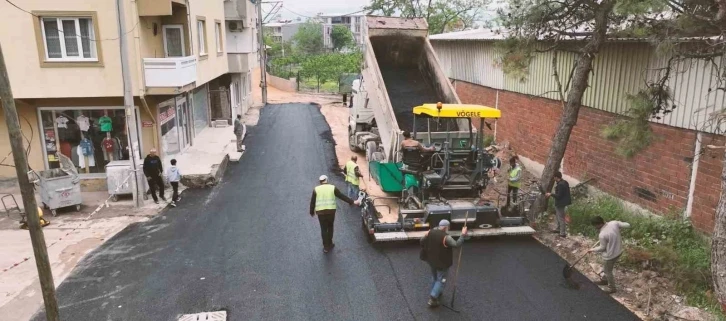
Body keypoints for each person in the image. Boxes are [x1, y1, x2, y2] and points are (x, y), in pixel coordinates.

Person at [420, 220, 468, 308]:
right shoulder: (446, 237)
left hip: (431, 261)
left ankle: (437, 291)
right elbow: (456, 244)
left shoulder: (430, 232)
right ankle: (433, 298)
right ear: (446, 227)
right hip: (442, 263)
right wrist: (463, 234)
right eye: (448, 228)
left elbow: (421, 241)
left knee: (434, 277)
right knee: (441, 280)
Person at [309, 175, 361, 253]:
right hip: (331, 212)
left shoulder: (316, 189)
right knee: (330, 227)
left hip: (321, 213)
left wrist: (311, 212)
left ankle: (326, 247)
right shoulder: (332, 188)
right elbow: (341, 196)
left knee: (323, 229)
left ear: (320, 182)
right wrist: (353, 202)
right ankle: (330, 243)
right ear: (327, 180)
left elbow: (312, 202)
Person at [588, 216, 631, 294]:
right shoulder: (613, 223)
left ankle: (612, 288)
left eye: (595, 226)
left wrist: (592, 250)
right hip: (619, 251)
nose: (595, 227)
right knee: (606, 268)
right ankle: (604, 280)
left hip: (610, 255)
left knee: (608, 271)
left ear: (598, 224)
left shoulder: (602, 234)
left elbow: (602, 248)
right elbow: (628, 225)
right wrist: (619, 227)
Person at [546, 171, 572, 238]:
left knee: (561, 218)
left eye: (554, 177)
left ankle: (562, 233)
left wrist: (550, 194)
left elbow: (559, 196)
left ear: (556, 177)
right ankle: (558, 229)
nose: (553, 178)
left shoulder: (560, 185)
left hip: (560, 203)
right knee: (558, 216)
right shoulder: (565, 182)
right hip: (563, 202)